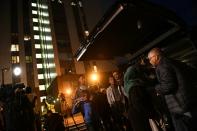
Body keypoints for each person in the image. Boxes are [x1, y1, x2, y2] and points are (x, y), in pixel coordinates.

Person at [148, 47, 197, 131]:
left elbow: (169, 86)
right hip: (190, 102)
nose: (150, 61)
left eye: (150, 59)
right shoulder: (175, 62)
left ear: (156, 57)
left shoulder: (162, 65)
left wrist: (156, 89)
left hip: (180, 108)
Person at [124, 58, 154, 131]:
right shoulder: (134, 86)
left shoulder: (129, 85)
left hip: (137, 117)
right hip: (140, 118)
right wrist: (151, 114)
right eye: (137, 72)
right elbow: (139, 104)